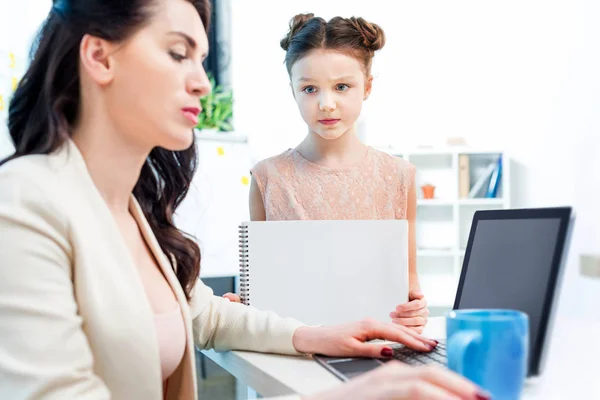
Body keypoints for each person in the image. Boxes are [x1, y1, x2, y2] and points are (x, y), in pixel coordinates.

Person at [0, 1, 488, 399]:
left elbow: (203, 314)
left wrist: (316, 335)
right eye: (177, 53)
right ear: (100, 58)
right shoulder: (23, 202)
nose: (202, 83)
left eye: (202, 60)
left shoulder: (130, 211)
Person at [222, 13, 429, 334]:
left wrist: (414, 310)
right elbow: (261, 290)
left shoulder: (399, 176)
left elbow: (408, 282)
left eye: (342, 86)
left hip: (376, 350)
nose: (326, 104)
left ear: (367, 87)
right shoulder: (268, 177)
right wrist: (241, 307)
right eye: (309, 89)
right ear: (292, 90)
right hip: (293, 353)